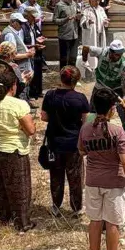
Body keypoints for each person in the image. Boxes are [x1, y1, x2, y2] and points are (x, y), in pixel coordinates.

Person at [79, 86, 125, 250]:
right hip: (114, 181)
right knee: (112, 223)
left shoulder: (85, 129)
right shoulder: (117, 132)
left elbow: (81, 151)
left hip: (93, 180)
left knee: (95, 221)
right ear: (112, 109)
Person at [0, 66, 37, 231]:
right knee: (20, 187)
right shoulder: (19, 104)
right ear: (13, 86)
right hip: (13, 149)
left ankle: (3, 218)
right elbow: (31, 130)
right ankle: (22, 222)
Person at [40, 66, 90, 217]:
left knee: (56, 175)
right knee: (75, 176)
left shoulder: (50, 95)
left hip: (55, 142)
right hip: (73, 144)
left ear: (60, 79)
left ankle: (56, 206)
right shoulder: (80, 98)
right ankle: (76, 207)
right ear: (76, 81)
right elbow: (85, 121)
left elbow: (44, 117)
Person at [82, 39, 125, 126]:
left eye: (120, 54)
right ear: (110, 52)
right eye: (116, 54)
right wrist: (84, 61)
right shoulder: (102, 52)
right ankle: (92, 131)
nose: (119, 56)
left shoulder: (124, 65)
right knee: (93, 112)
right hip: (99, 87)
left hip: (115, 89)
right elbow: (85, 48)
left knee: (124, 112)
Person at [81, 0, 111, 74]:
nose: (97, 3)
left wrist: (106, 21)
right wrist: (88, 22)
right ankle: (90, 72)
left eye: (98, 1)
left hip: (100, 35)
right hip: (91, 36)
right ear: (91, 1)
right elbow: (82, 23)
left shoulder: (101, 9)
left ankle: (100, 70)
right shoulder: (86, 10)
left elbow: (104, 19)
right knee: (91, 53)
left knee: (101, 51)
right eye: (95, 1)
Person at [21, 6, 45, 100]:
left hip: (35, 53)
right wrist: (34, 46)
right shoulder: (23, 27)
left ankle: (35, 92)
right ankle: (29, 95)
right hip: (28, 55)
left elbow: (33, 37)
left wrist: (37, 41)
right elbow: (22, 43)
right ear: (27, 16)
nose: (35, 18)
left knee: (36, 73)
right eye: (33, 16)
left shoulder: (32, 25)